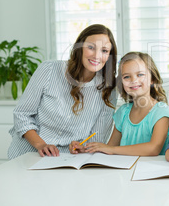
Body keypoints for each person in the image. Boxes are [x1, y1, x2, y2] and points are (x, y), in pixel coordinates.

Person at [8, 24, 118, 159]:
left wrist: (80, 147)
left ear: (109, 56)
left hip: (66, 159)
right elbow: (22, 114)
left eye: (105, 51)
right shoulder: (49, 70)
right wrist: (41, 145)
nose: (97, 56)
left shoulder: (108, 89)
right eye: (91, 47)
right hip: (27, 153)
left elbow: (97, 138)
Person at [84, 52, 169, 156]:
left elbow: (153, 149)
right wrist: (86, 149)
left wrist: (111, 149)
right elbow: (110, 148)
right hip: (125, 170)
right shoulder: (123, 112)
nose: (133, 80)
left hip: (153, 170)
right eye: (126, 77)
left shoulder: (161, 111)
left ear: (152, 79)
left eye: (140, 75)